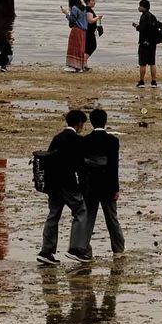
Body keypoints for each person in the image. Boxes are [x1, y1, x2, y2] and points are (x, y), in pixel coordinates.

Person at [37, 108, 92, 265]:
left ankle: (46, 251)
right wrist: (83, 187)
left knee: (53, 214)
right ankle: (76, 249)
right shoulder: (78, 140)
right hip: (68, 183)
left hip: (52, 183)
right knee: (80, 211)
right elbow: (81, 167)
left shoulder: (57, 138)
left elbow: (47, 159)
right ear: (80, 123)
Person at [80, 108, 124, 257]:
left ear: (91, 122)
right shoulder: (112, 141)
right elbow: (113, 166)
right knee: (112, 219)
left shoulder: (85, 140)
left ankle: (84, 249)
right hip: (107, 186)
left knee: (88, 220)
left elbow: (82, 166)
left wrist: (83, 185)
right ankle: (118, 249)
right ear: (105, 121)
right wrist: (116, 188)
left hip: (90, 186)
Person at [134, 0, 162, 88]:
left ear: (144, 7)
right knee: (152, 62)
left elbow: (142, 28)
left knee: (142, 63)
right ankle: (154, 81)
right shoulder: (152, 16)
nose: (139, 7)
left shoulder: (143, 17)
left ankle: (142, 81)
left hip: (144, 42)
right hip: (152, 43)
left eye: (140, 6)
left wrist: (137, 27)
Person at [63, 0, 90, 73]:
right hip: (83, 31)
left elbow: (72, 20)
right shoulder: (83, 8)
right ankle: (80, 67)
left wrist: (66, 13)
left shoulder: (74, 8)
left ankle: (73, 66)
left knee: (73, 47)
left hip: (76, 30)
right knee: (80, 47)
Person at [82, 0, 102, 64]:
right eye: (92, 1)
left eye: (94, 1)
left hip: (87, 31)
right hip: (89, 32)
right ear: (88, 2)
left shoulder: (86, 9)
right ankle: (83, 62)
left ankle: (84, 63)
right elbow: (90, 20)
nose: (94, 2)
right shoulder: (88, 9)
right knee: (92, 47)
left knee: (87, 48)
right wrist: (98, 17)